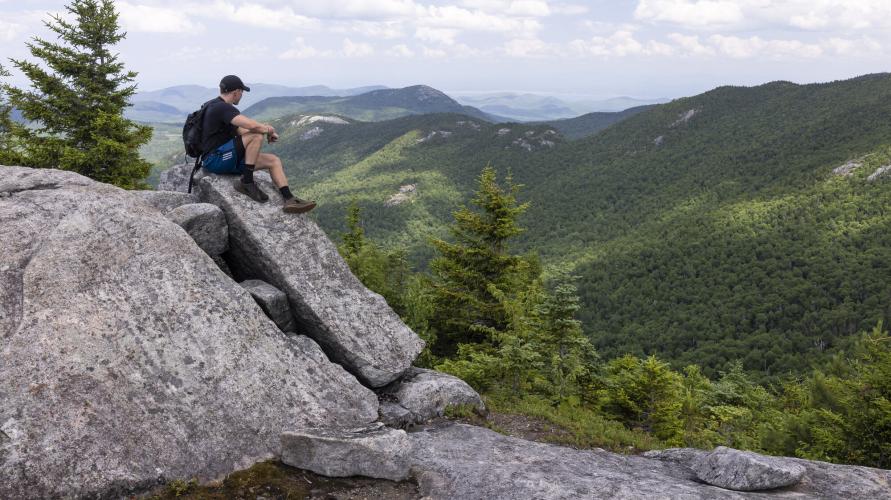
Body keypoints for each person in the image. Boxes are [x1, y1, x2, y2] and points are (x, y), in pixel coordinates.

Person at [200, 75, 316, 213]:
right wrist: (268, 130)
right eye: (241, 92)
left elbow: (242, 131)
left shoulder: (220, 109)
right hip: (215, 160)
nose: (241, 95)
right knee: (256, 134)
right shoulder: (221, 107)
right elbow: (251, 126)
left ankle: (289, 199)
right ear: (236, 92)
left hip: (228, 158)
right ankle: (247, 182)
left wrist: (264, 129)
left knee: (273, 160)